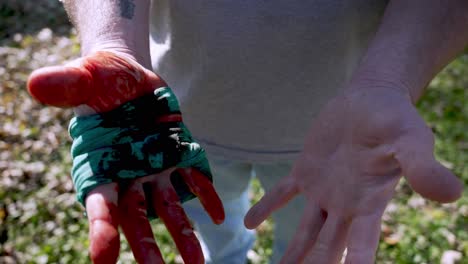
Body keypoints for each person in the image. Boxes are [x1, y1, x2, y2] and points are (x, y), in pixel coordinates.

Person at [27, 0, 467, 263]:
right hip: (178, 129)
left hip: (331, 146)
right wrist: (112, 41)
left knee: (305, 243)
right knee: (215, 224)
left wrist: (390, 78)